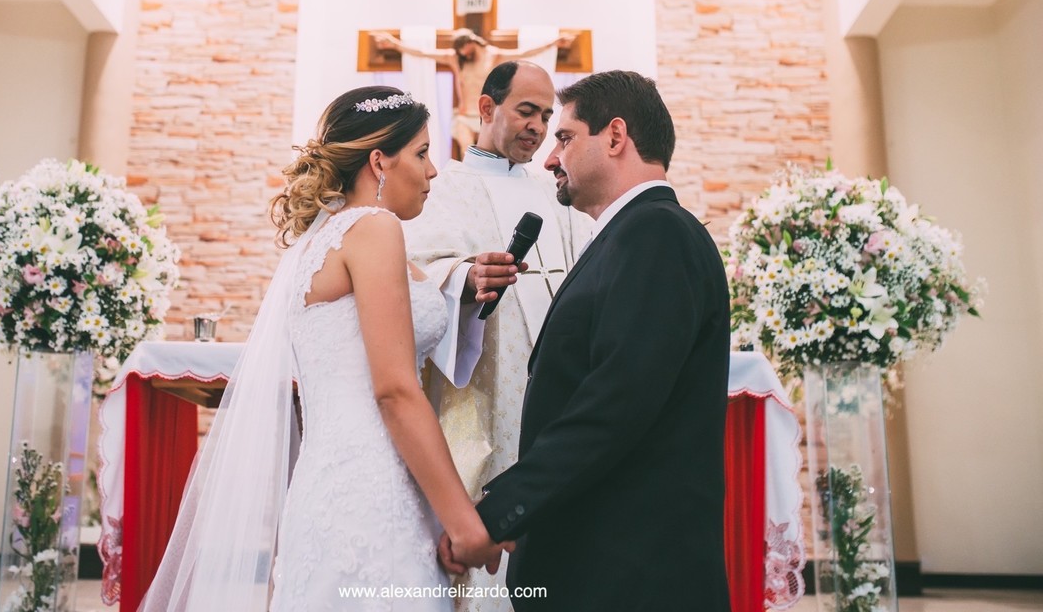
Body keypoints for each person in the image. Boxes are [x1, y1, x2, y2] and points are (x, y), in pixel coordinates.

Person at [141, 87, 509, 611]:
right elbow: (395, 392)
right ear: (379, 161)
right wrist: (462, 521)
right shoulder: (374, 229)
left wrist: (469, 281)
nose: (433, 173)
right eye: (423, 154)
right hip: (374, 493)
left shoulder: (323, 240)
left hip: (327, 485)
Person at [440, 70, 732, 611]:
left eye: (566, 137)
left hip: (632, 571)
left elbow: (616, 402)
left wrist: (502, 509)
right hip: (609, 563)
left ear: (616, 137)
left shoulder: (657, 235)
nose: (551, 158)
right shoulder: (629, 236)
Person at [402, 61, 591, 611]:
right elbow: (411, 270)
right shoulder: (444, 187)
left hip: (560, 389)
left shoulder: (557, 194)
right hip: (485, 393)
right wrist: (464, 277)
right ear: (486, 109)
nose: (537, 127)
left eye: (545, 116)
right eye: (525, 111)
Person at [374, 29, 573, 152]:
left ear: (470, 42)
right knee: (468, 152)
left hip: (486, 116)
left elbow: (524, 53)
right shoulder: (455, 58)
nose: (461, 53)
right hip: (463, 116)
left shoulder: (492, 55)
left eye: (462, 48)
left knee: (494, 153)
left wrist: (553, 43)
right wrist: (395, 44)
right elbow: (424, 53)